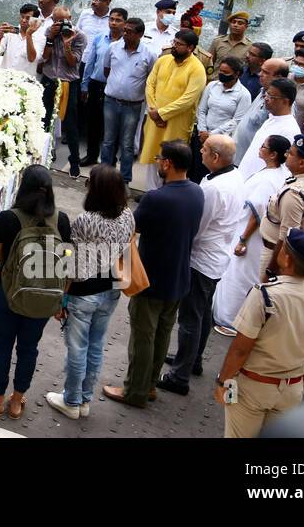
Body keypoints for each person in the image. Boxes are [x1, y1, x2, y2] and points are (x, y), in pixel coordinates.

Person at [103, 140, 205, 408]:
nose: (158, 162)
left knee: (143, 337)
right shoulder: (197, 192)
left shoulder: (157, 198)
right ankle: (148, 386)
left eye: (160, 159)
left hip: (150, 280)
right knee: (162, 335)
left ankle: (134, 391)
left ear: (168, 164)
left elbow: (128, 228)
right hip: (179, 278)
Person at [215, 229, 304, 438]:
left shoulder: (265, 295)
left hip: (254, 386)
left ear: (286, 260)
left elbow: (240, 349)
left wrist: (223, 381)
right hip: (292, 388)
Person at [46, 165, 135, 420]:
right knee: (96, 346)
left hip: (84, 291)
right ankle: (85, 400)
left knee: (77, 348)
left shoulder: (86, 220)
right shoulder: (128, 215)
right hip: (112, 289)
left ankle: (71, 401)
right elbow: (127, 249)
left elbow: (71, 262)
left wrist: (62, 297)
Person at [0, 165, 71, 419]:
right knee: (29, 348)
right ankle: (17, 402)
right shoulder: (61, 220)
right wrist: (62, 298)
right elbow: (67, 263)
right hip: (44, 299)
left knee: (1, 343)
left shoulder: (8, 218)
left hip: (8, 293)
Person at [159, 134, 246, 394]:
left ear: (216, 157)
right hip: (216, 255)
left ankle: (180, 376)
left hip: (203, 258)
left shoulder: (213, 189)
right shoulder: (230, 177)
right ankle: (192, 360)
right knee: (203, 313)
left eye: (205, 149)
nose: (201, 152)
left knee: (191, 317)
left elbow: (197, 225)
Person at [214, 136, 293, 335]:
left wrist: (242, 240)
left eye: (264, 147)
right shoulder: (275, 173)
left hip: (251, 237)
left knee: (239, 276)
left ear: (273, 154)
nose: (260, 148)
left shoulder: (269, 179)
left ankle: (230, 319)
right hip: (251, 234)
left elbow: (257, 213)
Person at [138, 29, 206, 186]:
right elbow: (150, 84)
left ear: (191, 48)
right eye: (174, 42)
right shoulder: (163, 60)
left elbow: (188, 99)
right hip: (154, 120)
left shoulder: (197, 69)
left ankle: (166, 195)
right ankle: (151, 192)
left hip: (176, 123)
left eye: (179, 44)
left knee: (171, 160)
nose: (174, 46)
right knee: (152, 155)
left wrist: (162, 113)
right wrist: (153, 110)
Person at [258, 135, 304, 280]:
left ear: (302, 163)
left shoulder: (295, 194)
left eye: (290, 153)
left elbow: (287, 237)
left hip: (276, 254)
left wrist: (271, 270)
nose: (286, 155)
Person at [100, 16, 156, 185]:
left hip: (132, 105)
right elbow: (106, 70)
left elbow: (151, 80)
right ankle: (104, 177)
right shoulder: (113, 48)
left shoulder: (149, 54)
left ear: (140, 34)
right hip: (111, 101)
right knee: (108, 140)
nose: (125, 34)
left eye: (130, 32)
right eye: (125, 30)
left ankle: (124, 181)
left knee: (127, 143)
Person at [40, 6, 88, 176]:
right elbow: (45, 57)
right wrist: (51, 38)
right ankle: (42, 155)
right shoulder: (49, 31)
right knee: (44, 119)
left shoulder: (79, 35)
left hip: (69, 83)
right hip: (50, 78)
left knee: (70, 123)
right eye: (57, 21)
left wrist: (68, 44)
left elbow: (73, 62)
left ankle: (74, 161)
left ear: (71, 18)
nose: (61, 24)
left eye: (64, 20)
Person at [79, 7, 127, 169]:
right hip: (96, 85)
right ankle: (91, 155)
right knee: (93, 122)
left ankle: (109, 161)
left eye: (118, 20)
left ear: (125, 23)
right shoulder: (100, 38)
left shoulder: (126, 43)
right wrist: (84, 85)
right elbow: (90, 62)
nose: (113, 23)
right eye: (111, 19)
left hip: (114, 88)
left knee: (112, 127)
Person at [238, 77, 299, 177]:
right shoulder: (271, 119)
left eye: (271, 96)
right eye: (267, 94)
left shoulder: (289, 130)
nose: (266, 99)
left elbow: (281, 168)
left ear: (285, 101)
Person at [195, 57, 252, 162]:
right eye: (220, 70)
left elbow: (236, 121)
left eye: (225, 72)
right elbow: (202, 110)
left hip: (222, 140)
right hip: (201, 135)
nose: (221, 74)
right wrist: (202, 131)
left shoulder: (243, 94)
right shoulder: (212, 86)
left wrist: (211, 135)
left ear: (236, 74)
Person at [0, 2, 44, 77]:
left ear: (35, 20)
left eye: (28, 18)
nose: (23, 20)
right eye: (22, 17)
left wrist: (29, 35)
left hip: (24, 82)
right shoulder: (10, 31)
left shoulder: (41, 38)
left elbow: (31, 58)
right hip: (4, 76)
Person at [207, 12, 252, 77]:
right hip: (215, 81)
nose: (235, 25)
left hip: (235, 84)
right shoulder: (218, 41)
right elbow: (209, 63)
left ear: (246, 27)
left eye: (240, 23)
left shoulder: (250, 46)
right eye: (233, 22)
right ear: (229, 24)